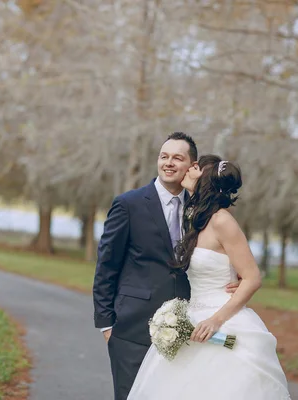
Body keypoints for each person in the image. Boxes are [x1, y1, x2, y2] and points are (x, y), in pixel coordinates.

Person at [127, 155, 291, 400]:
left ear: (204, 180)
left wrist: (215, 321)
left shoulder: (222, 221)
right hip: (193, 316)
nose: (188, 169)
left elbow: (252, 277)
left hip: (221, 321)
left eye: (194, 167)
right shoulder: (197, 218)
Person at [92, 133, 240, 400]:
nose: (168, 163)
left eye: (177, 158)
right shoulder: (129, 204)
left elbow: (223, 251)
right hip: (132, 329)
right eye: (164, 156)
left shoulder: (200, 211)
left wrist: (234, 277)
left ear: (192, 166)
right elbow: (106, 266)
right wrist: (106, 325)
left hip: (186, 329)